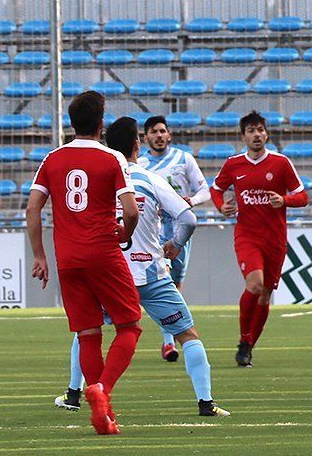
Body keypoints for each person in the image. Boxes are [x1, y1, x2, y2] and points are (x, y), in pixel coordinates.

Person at [55, 117, 230, 418]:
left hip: (109, 273)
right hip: (150, 273)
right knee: (187, 334)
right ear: (138, 145)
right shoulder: (151, 179)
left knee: (87, 332)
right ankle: (206, 403)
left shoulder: (100, 179)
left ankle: (74, 394)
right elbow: (188, 219)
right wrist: (174, 245)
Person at [26, 91, 143, 435]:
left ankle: (104, 417)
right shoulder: (112, 158)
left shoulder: (52, 159)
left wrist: (39, 255)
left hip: (67, 258)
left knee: (89, 333)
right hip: (103, 252)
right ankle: (102, 391)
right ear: (101, 124)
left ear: (71, 123)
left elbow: (33, 209)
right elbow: (132, 210)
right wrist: (125, 231)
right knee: (129, 325)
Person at [210, 111, 309, 367]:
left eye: (260, 130)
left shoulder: (281, 163)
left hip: (275, 239)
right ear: (243, 136)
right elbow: (216, 189)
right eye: (251, 131)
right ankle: (244, 339)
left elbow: (302, 196)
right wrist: (221, 206)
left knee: (265, 295)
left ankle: (249, 346)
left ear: (266, 133)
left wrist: (284, 200)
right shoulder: (233, 164)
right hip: (247, 235)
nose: (257, 135)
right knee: (255, 285)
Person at [137, 115, 211, 363]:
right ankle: (169, 342)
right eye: (153, 132)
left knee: (175, 284)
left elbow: (204, 191)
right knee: (163, 279)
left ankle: (170, 334)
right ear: (145, 137)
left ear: (169, 135)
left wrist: (190, 202)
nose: (159, 136)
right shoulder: (141, 164)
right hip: (153, 232)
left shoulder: (184, 159)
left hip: (181, 230)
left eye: (162, 131)